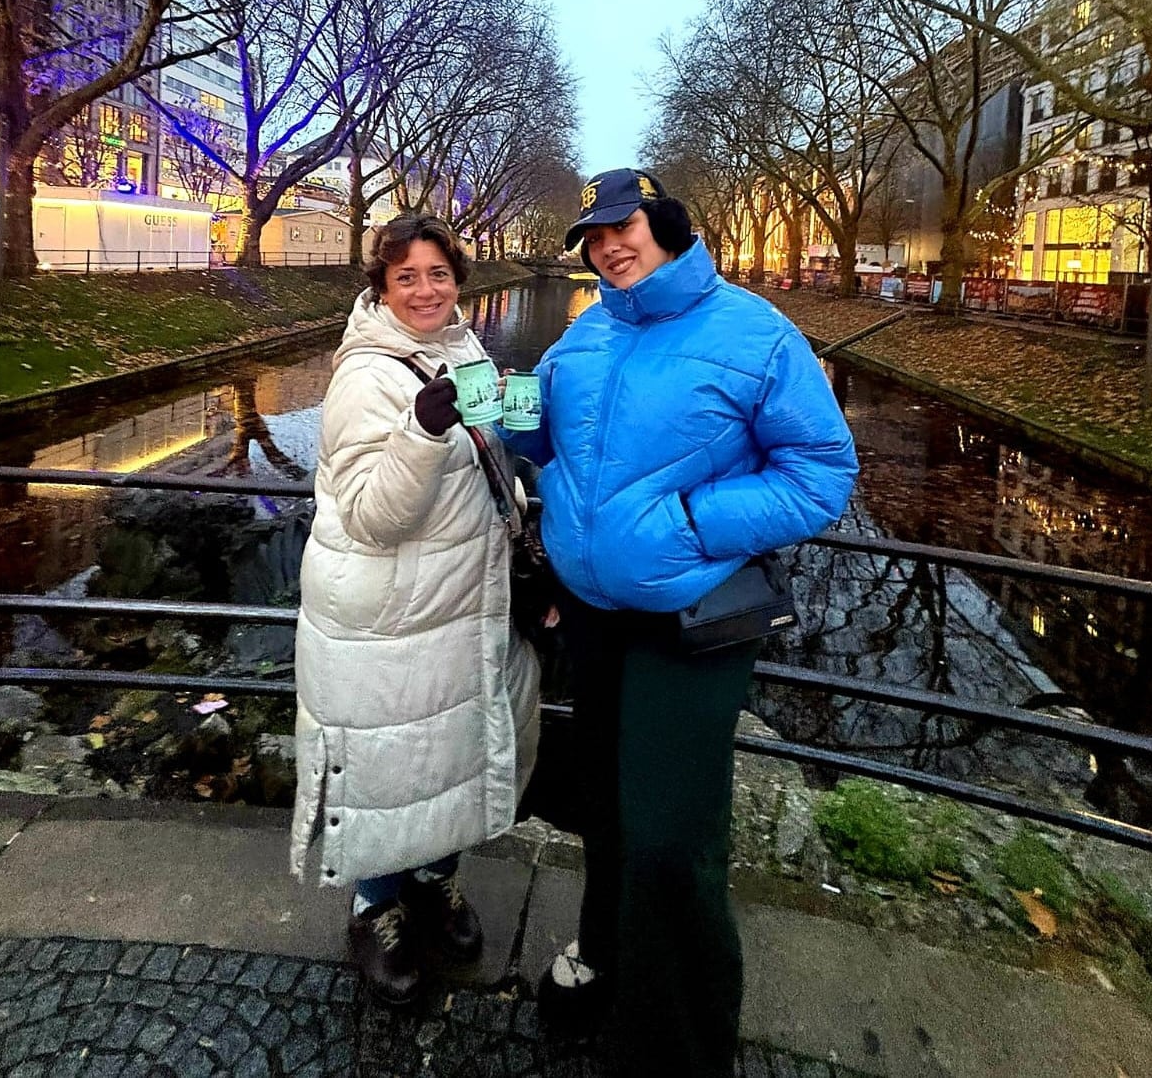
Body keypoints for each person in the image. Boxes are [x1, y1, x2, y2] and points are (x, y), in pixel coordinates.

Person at [504, 169, 858, 1077]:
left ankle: (683, 1042)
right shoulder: (586, 333)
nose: (607, 247)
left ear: (666, 225)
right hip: (594, 616)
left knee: (672, 837)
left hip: (690, 621)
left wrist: (694, 524)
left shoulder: (755, 332)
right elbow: (545, 441)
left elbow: (822, 472)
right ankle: (605, 955)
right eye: (593, 236)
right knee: (608, 806)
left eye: (623, 227)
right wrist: (501, 412)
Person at [290, 212, 539, 1005]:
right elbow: (372, 515)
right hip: (386, 614)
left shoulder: (463, 349)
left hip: (456, 598)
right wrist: (424, 429)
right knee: (387, 764)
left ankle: (434, 881)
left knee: (448, 752)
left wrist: (528, 434)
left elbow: (496, 457)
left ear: (458, 280)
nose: (426, 290)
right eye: (407, 278)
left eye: (438, 274)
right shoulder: (364, 375)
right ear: (382, 287)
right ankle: (375, 909)